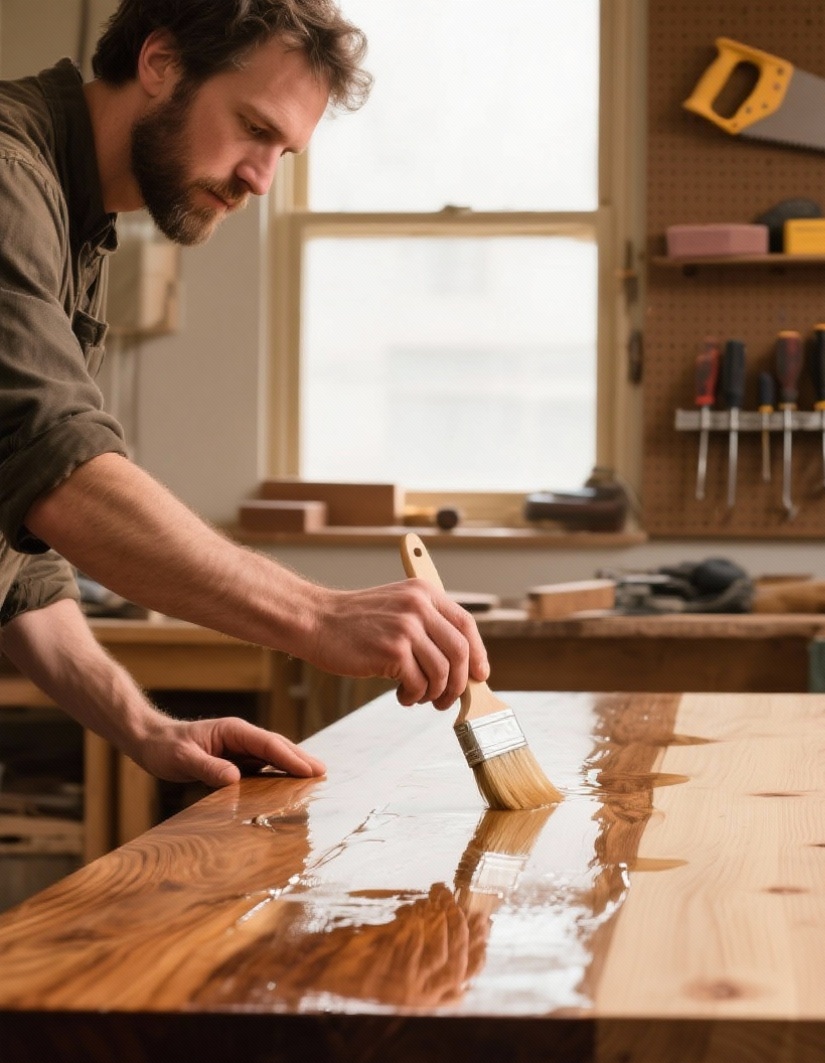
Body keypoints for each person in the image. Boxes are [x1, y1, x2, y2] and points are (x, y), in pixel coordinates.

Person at [0, 0, 488, 789]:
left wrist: (147, 729)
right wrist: (320, 617)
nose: (261, 178)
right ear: (160, 63)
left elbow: (16, 560)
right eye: (254, 128)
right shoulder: (9, 178)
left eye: (284, 152)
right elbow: (64, 479)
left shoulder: (70, 214)